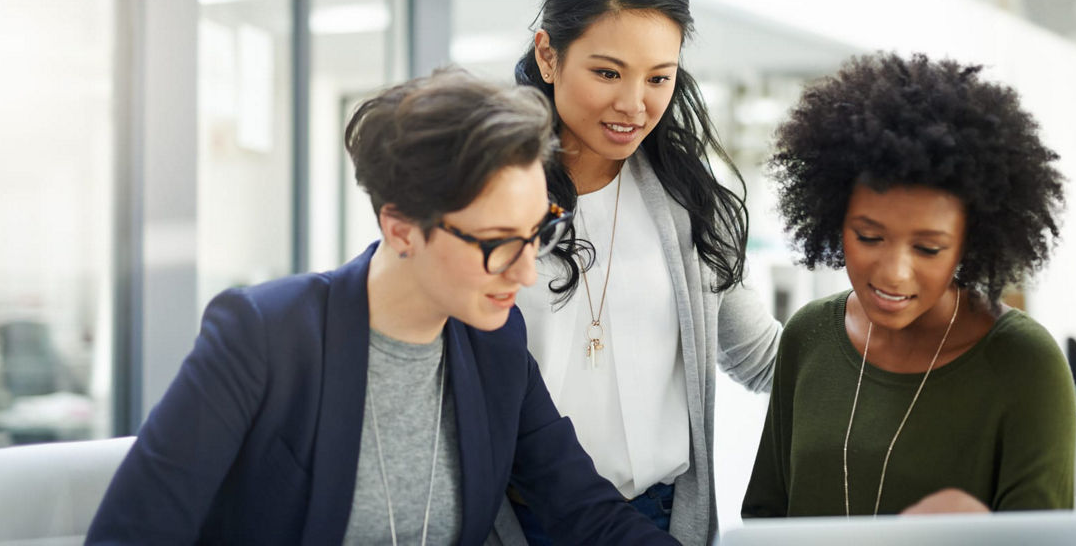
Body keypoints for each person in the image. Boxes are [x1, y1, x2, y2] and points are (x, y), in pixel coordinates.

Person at [86, 69, 679, 545]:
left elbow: (584, 509)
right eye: (498, 244)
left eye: (536, 234)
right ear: (400, 229)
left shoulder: (494, 344)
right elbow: (132, 533)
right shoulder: (265, 336)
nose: (525, 272)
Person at [496, 0, 781, 546]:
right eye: (607, 72)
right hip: (515, 523)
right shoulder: (487, 199)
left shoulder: (690, 202)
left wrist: (896, 339)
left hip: (653, 519)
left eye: (659, 78)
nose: (634, 104)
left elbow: (762, 359)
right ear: (548, 55)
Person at [742, 52, 1076, 518]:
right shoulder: (808, 336)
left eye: (928, 248)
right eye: (869, 237)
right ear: (835, 220)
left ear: (970, 243)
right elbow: (764, 518)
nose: (894, 272)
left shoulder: (1023, 364)